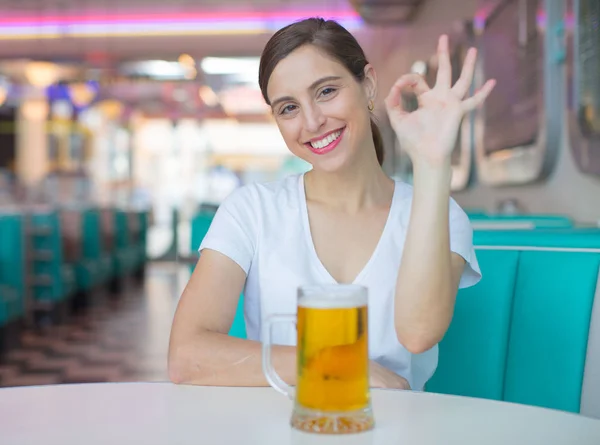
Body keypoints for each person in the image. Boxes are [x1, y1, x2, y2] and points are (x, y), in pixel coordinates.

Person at [168, 17, 495, 391]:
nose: (312, 121)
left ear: (367, 84)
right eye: (288, 108)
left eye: (325, 91)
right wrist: (345, 367)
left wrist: (432, 162)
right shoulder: (251, 211)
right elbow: (186, 356)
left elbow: (419, 334)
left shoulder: (438, 215)